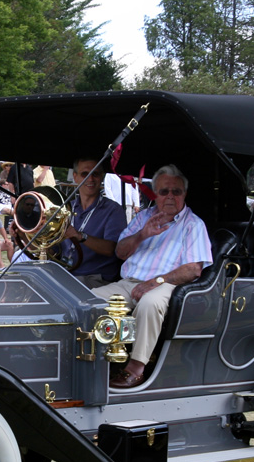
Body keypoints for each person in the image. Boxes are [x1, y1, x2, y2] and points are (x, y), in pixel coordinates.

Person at [93, 164, 213, 389]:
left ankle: (135, 370)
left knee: (149, 303)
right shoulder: (143, 218)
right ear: (155, 194)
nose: (170, 197)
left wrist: (156, 281)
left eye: (176, 192)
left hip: (168, 284)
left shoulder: (193, 225)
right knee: (89, 300)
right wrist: (142, 235)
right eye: (164, 191)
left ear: (184, 194)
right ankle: (92, 361)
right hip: (129, 282)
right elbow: (120, 251)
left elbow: (193, 269)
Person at [63, 158, 128, 288]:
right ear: (75, 177)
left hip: (96, 280)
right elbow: (50, 250)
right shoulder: (65, 208)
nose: (91, 179)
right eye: (85, 174)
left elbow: (112, 249)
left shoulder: (113, 210)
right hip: (66, 275)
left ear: (101, 177)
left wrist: (80, 236)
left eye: (95, 174)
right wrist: (24, 235)